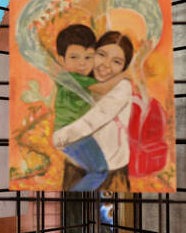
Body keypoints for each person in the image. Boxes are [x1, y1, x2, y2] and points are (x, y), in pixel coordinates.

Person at [52, 31, 136, 193]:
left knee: (110, 214)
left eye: (116, 62)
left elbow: (92, 120)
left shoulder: (121, 87)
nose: (105, 65)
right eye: (101, 55)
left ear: (124, 67)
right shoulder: (81, 79)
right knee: (72, 213)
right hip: (76, 166)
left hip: (111, 170)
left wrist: (61, 137)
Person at [52, 24, 98, 193]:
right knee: (98, 172)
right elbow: (103, 90)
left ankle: (74, 194)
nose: (82, 63)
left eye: (88, 57)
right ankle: (76, 195)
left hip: (72, 137)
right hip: (73, 137)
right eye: (74, 57)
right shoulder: (76, 80)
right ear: (61, 60)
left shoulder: (66, 78)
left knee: (79, 172)